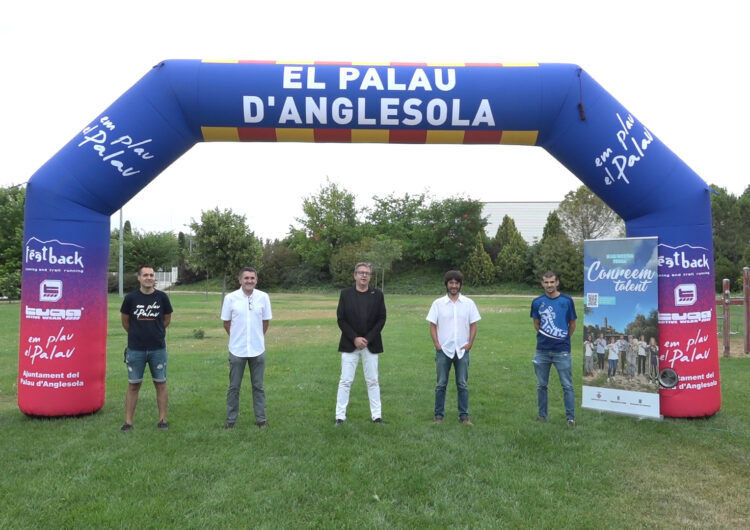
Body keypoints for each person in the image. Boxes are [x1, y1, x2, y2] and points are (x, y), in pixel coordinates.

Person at [120, 265, 174, 432]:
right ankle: (128, 422)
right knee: (133, 385)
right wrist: (138, 334)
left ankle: (162, 420)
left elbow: (166, 320)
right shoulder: (130, 298)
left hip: (158, 349)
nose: (149, 278)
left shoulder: (162, 297)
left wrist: (155, 333)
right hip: (135, 349)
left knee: (161, 383)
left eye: (151, 275)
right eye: (145, 275)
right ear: (139, 278)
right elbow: (125, 322)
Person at [334, 262, 387, 425]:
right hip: (350, 345)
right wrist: (355, 338)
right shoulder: (345, 294)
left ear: (370, 276)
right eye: (361, 272)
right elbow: (341, 319)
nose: (364, 275)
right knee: (345, 381)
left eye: (367, 273)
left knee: (372, 380)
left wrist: (367, 339)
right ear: (355, 275)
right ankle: (340, 417)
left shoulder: (377, 294)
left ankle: (377, 416)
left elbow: (381, 319)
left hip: (370, 345)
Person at [426, 270, 481, 425]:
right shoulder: (438, 304)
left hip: (462, 350)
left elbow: (473, 324)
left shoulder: (469, 303)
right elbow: (432, 325)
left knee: (462, 384)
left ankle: (464, 417)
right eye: (451, 283)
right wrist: (437, 345)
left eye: (457, 283)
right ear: (446, 284)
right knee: (441, 384)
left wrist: (470, 343)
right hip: (444, 350)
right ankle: (438, 416)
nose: (454, 286)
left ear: (460, 285)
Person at [221, 267, 273, 429]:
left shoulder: (263, 297)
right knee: (234, 387)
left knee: (258, 386)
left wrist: (257, 337)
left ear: (256, 280)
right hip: (237, 350)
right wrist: (238, 337)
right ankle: (231, 420)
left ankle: (261, 419)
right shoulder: (231, 298)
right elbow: (226, 323)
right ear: (240, 280)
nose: (249, 281)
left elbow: (265, 322)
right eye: (246, 278)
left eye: (252, 278)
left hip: (258, 350)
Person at [530, 270, 578, 427]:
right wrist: (548, 336)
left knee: (567, 386)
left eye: (552, 282)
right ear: (542, 283)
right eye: (546, 282)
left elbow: (572, 324)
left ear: (557, 283)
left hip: (562, 351)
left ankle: (570, 418)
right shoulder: (537, 302)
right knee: (541, 385)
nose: (549, 285)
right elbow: (537, 324)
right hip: (542, 350)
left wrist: (562, 338)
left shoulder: (567, 301)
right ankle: (542, 416)